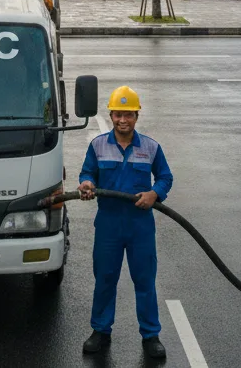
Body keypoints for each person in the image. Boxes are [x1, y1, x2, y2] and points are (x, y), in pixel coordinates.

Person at [78, 86, 173, 359]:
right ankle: (100, 330)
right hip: (108, 223)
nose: (123, 120)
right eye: (118, 114)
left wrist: (156, 193)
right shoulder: (97, 145)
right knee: (105, 278)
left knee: (144, 280)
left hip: (140, 225)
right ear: (111, 115)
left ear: (136, 116)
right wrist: (86, 183)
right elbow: (87, 172)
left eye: (129, 115)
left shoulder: (151, 147)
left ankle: (150, 334)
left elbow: (166, 177)